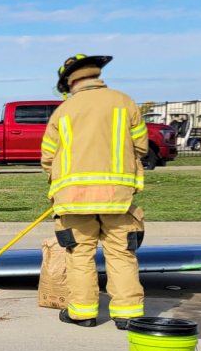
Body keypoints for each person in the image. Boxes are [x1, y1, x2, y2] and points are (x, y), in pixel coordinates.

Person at [41, 54, 147, 329]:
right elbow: (141, 147)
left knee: (79, 255)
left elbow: (48, 157)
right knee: (122, 254)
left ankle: (83, 312)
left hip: (73, 200)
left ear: (68, 83)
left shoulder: (64, 111)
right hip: (118, 198)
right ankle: (127, 314)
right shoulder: (124, 102)